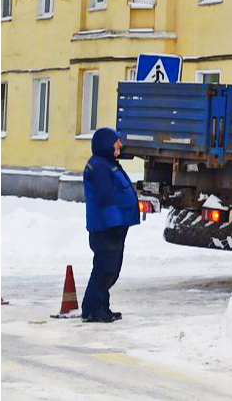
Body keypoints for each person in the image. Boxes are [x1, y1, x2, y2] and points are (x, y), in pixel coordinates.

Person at [81, 127, 139, 323]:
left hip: (113, 227)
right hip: (106, 228)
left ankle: (102, 307)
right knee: (104, 269)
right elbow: (105, 198)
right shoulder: (99, 167)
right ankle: (92, 310)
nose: (119, 145)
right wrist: (114, 224)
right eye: (116, 141)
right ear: (107, 143)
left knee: (110, 269)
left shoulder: (107, 164)